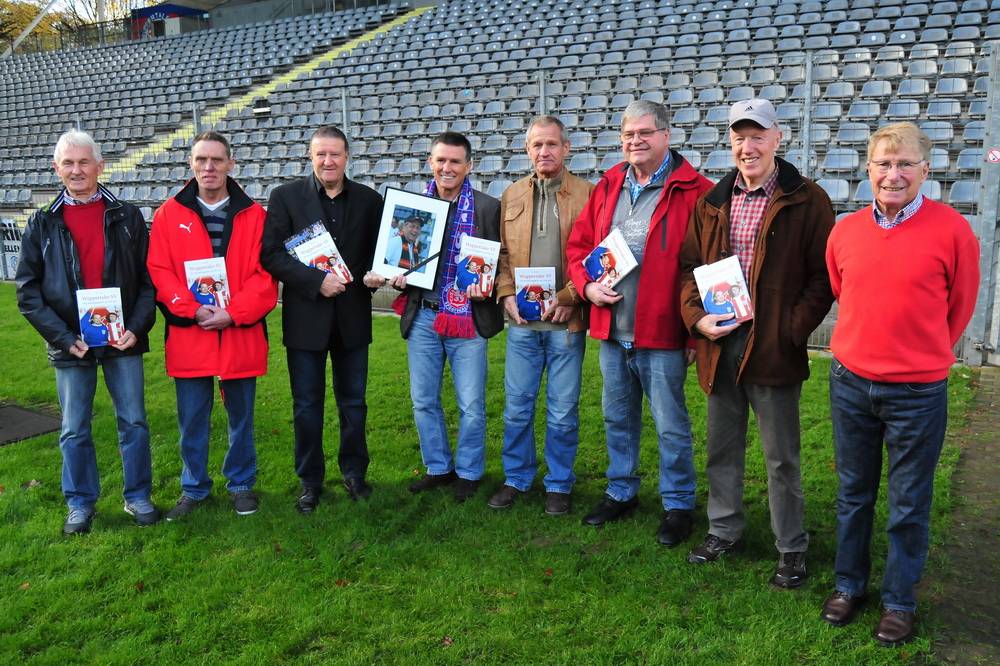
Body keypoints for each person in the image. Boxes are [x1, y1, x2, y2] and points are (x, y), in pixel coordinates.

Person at [821, 122, 979, 646]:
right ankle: (849, 585)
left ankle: (899, 601)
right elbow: (843, 290)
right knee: (854, 494)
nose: (893, 174)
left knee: (909, 502)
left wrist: (921, 355)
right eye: (884, 164)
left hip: (917, 392)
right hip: (851, 383)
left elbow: (960, 306)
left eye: (905, 163)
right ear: (868, 170)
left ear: (925, 170)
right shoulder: (844, 231)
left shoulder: (953, 230)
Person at [678, 98, 835, 587]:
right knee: (721, 446)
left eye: (757, 136)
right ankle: (723, 530)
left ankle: (791, 546)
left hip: (773, 345)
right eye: (740, 137)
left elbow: (823, 278)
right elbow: (689, 269)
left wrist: (791, 330)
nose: (748, 147)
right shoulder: (712, 202)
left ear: (777, 138)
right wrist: (698, 319)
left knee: (781, 456)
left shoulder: (808, 199)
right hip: (721, 340)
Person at [566, 100, 713, 543]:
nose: (636, 141)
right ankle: (621, 490)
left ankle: (678, 503)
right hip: (613, 329)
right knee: (618, 418)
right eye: (629, 134)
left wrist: (694, 332)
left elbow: (706, 266)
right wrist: (587, 288)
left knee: (670, 425)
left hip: (663, 331)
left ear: (666, 135)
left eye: (645, 133)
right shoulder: (609, 184)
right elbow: (579, 248)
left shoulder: (696, 190)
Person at [15, 129, 158, 534]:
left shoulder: (127, 216)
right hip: (71, 343)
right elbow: (28, 292)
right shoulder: (42, 222)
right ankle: (80, 503)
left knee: (134, 422)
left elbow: (149, 283)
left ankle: (138, 496)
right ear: (56, 168)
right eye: (68, 163)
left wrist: (136, 328)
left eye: (83, 162)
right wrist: (63, 338)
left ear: (100, 166)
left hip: (121, 339)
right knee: (74, 427)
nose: (76, 170)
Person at [364, 132, 503, 502]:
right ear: (430, 162)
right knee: (424, 400)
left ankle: (469, 472)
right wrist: (395, 274)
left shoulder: (488, 208)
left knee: (471, 404)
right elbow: (398, 257)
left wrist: (488, 284)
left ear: (469, 165)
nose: (447, 168)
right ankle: (439, 467)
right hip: (424, 316)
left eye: (455, 161)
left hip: (468, 318)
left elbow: (501, 260)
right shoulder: (414, 208)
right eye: (440, 160)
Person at [147, 131, 277, 520]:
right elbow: (159, 270)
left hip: (239, 333)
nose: (209, 167)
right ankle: (194, 487)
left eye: (217, 160)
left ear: (230, 164)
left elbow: (265, 277)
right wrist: (192, 309)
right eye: (201, 160)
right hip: (191, 333)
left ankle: (241, 484)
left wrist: (233, 312)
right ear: (191, 163)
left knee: (242, 418)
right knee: (191, 419)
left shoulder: (255, 215)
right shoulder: (169, 214)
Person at [261, 125, 383, 512]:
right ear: (310, 156)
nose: (328, 161)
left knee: (354, 404)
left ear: (347, 157)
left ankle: (354, 473)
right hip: (306, 320)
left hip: (352, 318)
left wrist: (375, 274)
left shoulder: (369, 200)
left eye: (335, 154)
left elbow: (377, 254)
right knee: (306, 406)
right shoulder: (285, 197)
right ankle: (309, 481)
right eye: (321, 154)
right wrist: (317, 281)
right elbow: (271, 255)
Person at [487, 116, 595, 515]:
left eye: (551, 144)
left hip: (566, 324)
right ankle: (516, 477)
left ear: (566, 148)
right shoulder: (512, 194)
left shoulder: (588, 194)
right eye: (537, 145)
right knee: (517, 407)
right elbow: (501, 254)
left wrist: (572, 296)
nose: (544, 151)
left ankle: (559, 483)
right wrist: (505, 293)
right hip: (523, 325)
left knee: (563, 411)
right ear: (527, 149)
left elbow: (598, 255)